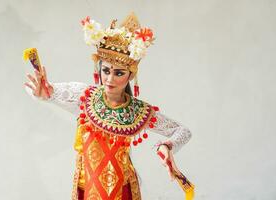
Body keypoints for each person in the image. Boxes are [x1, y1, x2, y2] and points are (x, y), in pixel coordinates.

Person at [24, 13, 193, 200]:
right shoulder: (84, 96)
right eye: (105, 71)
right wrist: (41, 94)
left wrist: (167, 146)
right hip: (87, 186)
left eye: (119, 73)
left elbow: (182, 131)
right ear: (99, 70)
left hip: (121, 190)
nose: (110, 79)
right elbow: (49, 93)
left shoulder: (138, 111)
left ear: (130, 76)